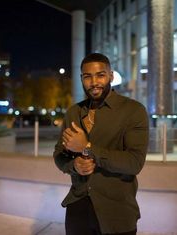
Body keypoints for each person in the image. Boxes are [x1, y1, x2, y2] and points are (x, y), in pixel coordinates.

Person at [53, 53, 149, 235]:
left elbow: (134, 162)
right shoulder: (73, 112)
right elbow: (58, 155)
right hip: (78, 207)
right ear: (82, 78)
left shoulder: (133, 111)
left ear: (111, 76)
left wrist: (87, 147)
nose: (94, 82)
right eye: (87, 76)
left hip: (117, 212)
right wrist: (74, 165)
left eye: (100, 75)